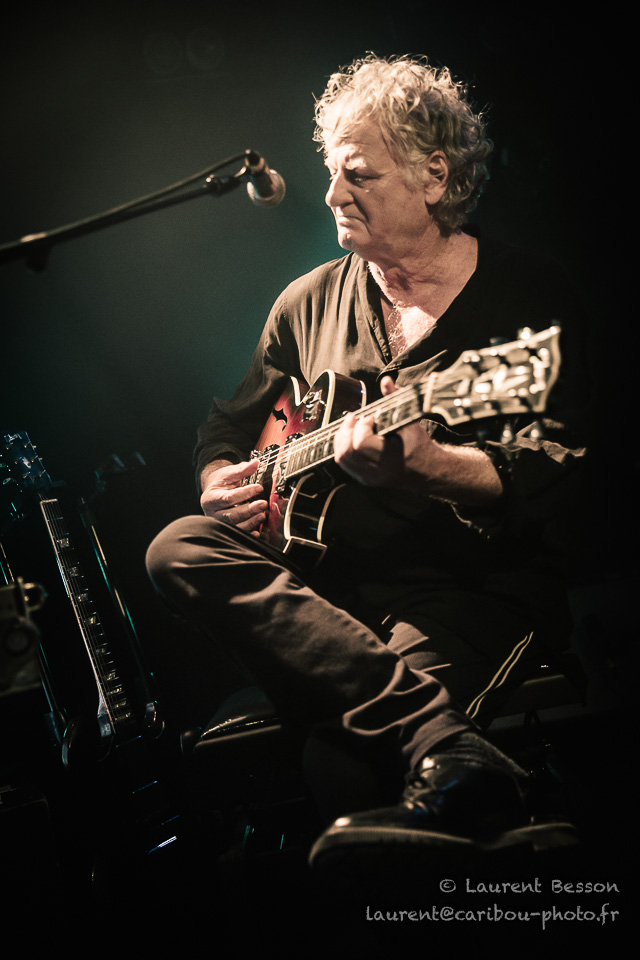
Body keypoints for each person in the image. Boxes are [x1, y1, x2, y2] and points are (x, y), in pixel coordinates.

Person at [146, 54, 590, 879]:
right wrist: (218, 479)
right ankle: (449, 747)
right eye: (331, 171)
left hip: (468, 590)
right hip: (326, 594)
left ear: (434, 176)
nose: (331, 195)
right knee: (177, 545)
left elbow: (567, 474)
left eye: (359, 174)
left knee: (341, 769)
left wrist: (428, 469)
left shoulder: (529, 295)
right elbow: (226, 424)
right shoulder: (306, 300)